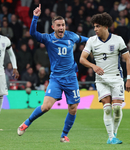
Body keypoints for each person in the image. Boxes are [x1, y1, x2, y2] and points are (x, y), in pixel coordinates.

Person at [17, 4, 88, 143]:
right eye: (58, 25)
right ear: (53, 27)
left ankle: (64, 135)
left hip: (71, 78)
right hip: (56, 79)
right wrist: (35, 18)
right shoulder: (48, 39)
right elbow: (33, 33)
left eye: (63, 25)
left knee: (73, 108)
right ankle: (25, 123)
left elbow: (86, 40)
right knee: (46, 107)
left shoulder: (71, 36)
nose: (61, 27)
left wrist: (97, 39)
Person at [80, 12, 130, 144]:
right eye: (94, 26)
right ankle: (111, 137)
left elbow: (128, 59)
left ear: (105, 26)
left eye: (97, 26)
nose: (95, 29)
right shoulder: (91, 41)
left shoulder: (118, 40)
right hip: (101, 79)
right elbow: (82, 59)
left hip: (116, 78)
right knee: (107, 108)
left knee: (116, 108)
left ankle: (113, 133)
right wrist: (93, 66)